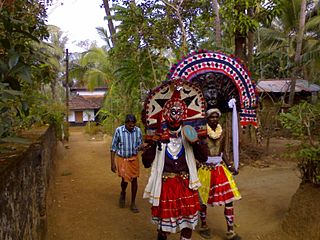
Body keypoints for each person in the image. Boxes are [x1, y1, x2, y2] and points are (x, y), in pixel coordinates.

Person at [142, 89, 208, 240]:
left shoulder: (190, 132)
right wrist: (153, 143)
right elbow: (146, 163)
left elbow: (204, 157)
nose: (176, 115)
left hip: (186, 185)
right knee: (163, 228)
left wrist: (196, 141)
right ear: (166, 113)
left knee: (187, 224)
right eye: (173, 111)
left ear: (184, 113)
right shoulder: (158, 135)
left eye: (179, 111)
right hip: (166, 186)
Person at [197, 108, 241, 240]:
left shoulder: (222, 133)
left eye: (216, 117)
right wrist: (196, 163)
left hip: (220, 169)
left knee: (229, 199)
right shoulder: (201, 133)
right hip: (205, 170)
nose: (214, 119)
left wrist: (230, 166)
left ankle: (230, 231)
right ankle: (203, 226)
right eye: (211, 117)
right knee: (203, 200)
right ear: (207, 119)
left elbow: (223, 153)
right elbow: (196, 151)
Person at [110, 114, 143, 213]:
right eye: (130, 124)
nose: (132, 126)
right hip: (122, 159)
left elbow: (140, 144)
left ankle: (133, 202)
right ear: (125, 124)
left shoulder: (138, 131)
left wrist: (143, 146)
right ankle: (123, 193)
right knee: (124, 180)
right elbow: (113, 148)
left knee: (134, 179)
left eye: (133, 124)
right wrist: (112, 163)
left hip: (133, 159)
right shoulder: (119, 131)